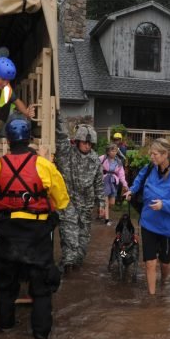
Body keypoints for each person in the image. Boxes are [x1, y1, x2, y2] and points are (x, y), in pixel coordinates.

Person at [0, 117, 69, 339]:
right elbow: (62, 201)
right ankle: (41, 336)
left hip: (8, 233)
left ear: (8, 141)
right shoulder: (44, 166)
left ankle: (5, 328)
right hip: (38, 233)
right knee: (41, 288)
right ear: (30, 138)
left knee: (6, 284)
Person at [125, 138, 170, 295]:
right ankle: (152, 298)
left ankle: (164, 282)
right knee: (149, 263)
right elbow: (140, 177)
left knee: (165, 263)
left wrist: (164, 205)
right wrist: (132, 190)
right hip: (148, 223)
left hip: (168, 228)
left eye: (154, 154)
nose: (151, 157)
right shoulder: (150, 167)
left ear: (165, 154)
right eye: (151, 153)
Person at [54, 115, 105, 274]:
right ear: (77, 141)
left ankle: (75, 263)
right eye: (84, 142)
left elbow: (99, 183)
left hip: (86, 205)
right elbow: (61, 136)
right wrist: (57, 116)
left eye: (90, 143)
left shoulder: (95, 159)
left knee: (83, 240)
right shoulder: (66, 153)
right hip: (68, 203)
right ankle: (67, 266)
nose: (87, 145)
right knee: (70, 236)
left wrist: (102, 204)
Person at [99, 143, 128, 226]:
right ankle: (107, 219)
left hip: (113, 182)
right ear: (108, 151)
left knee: (112, 202)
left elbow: (121, 174)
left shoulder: (118, 161)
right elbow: (95, 165)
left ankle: (102, 209)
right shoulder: (103, 158)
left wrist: (125, 185)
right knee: (106, 201)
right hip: (104, 180)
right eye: (112, 150)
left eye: (115, 150)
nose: (114, 152)